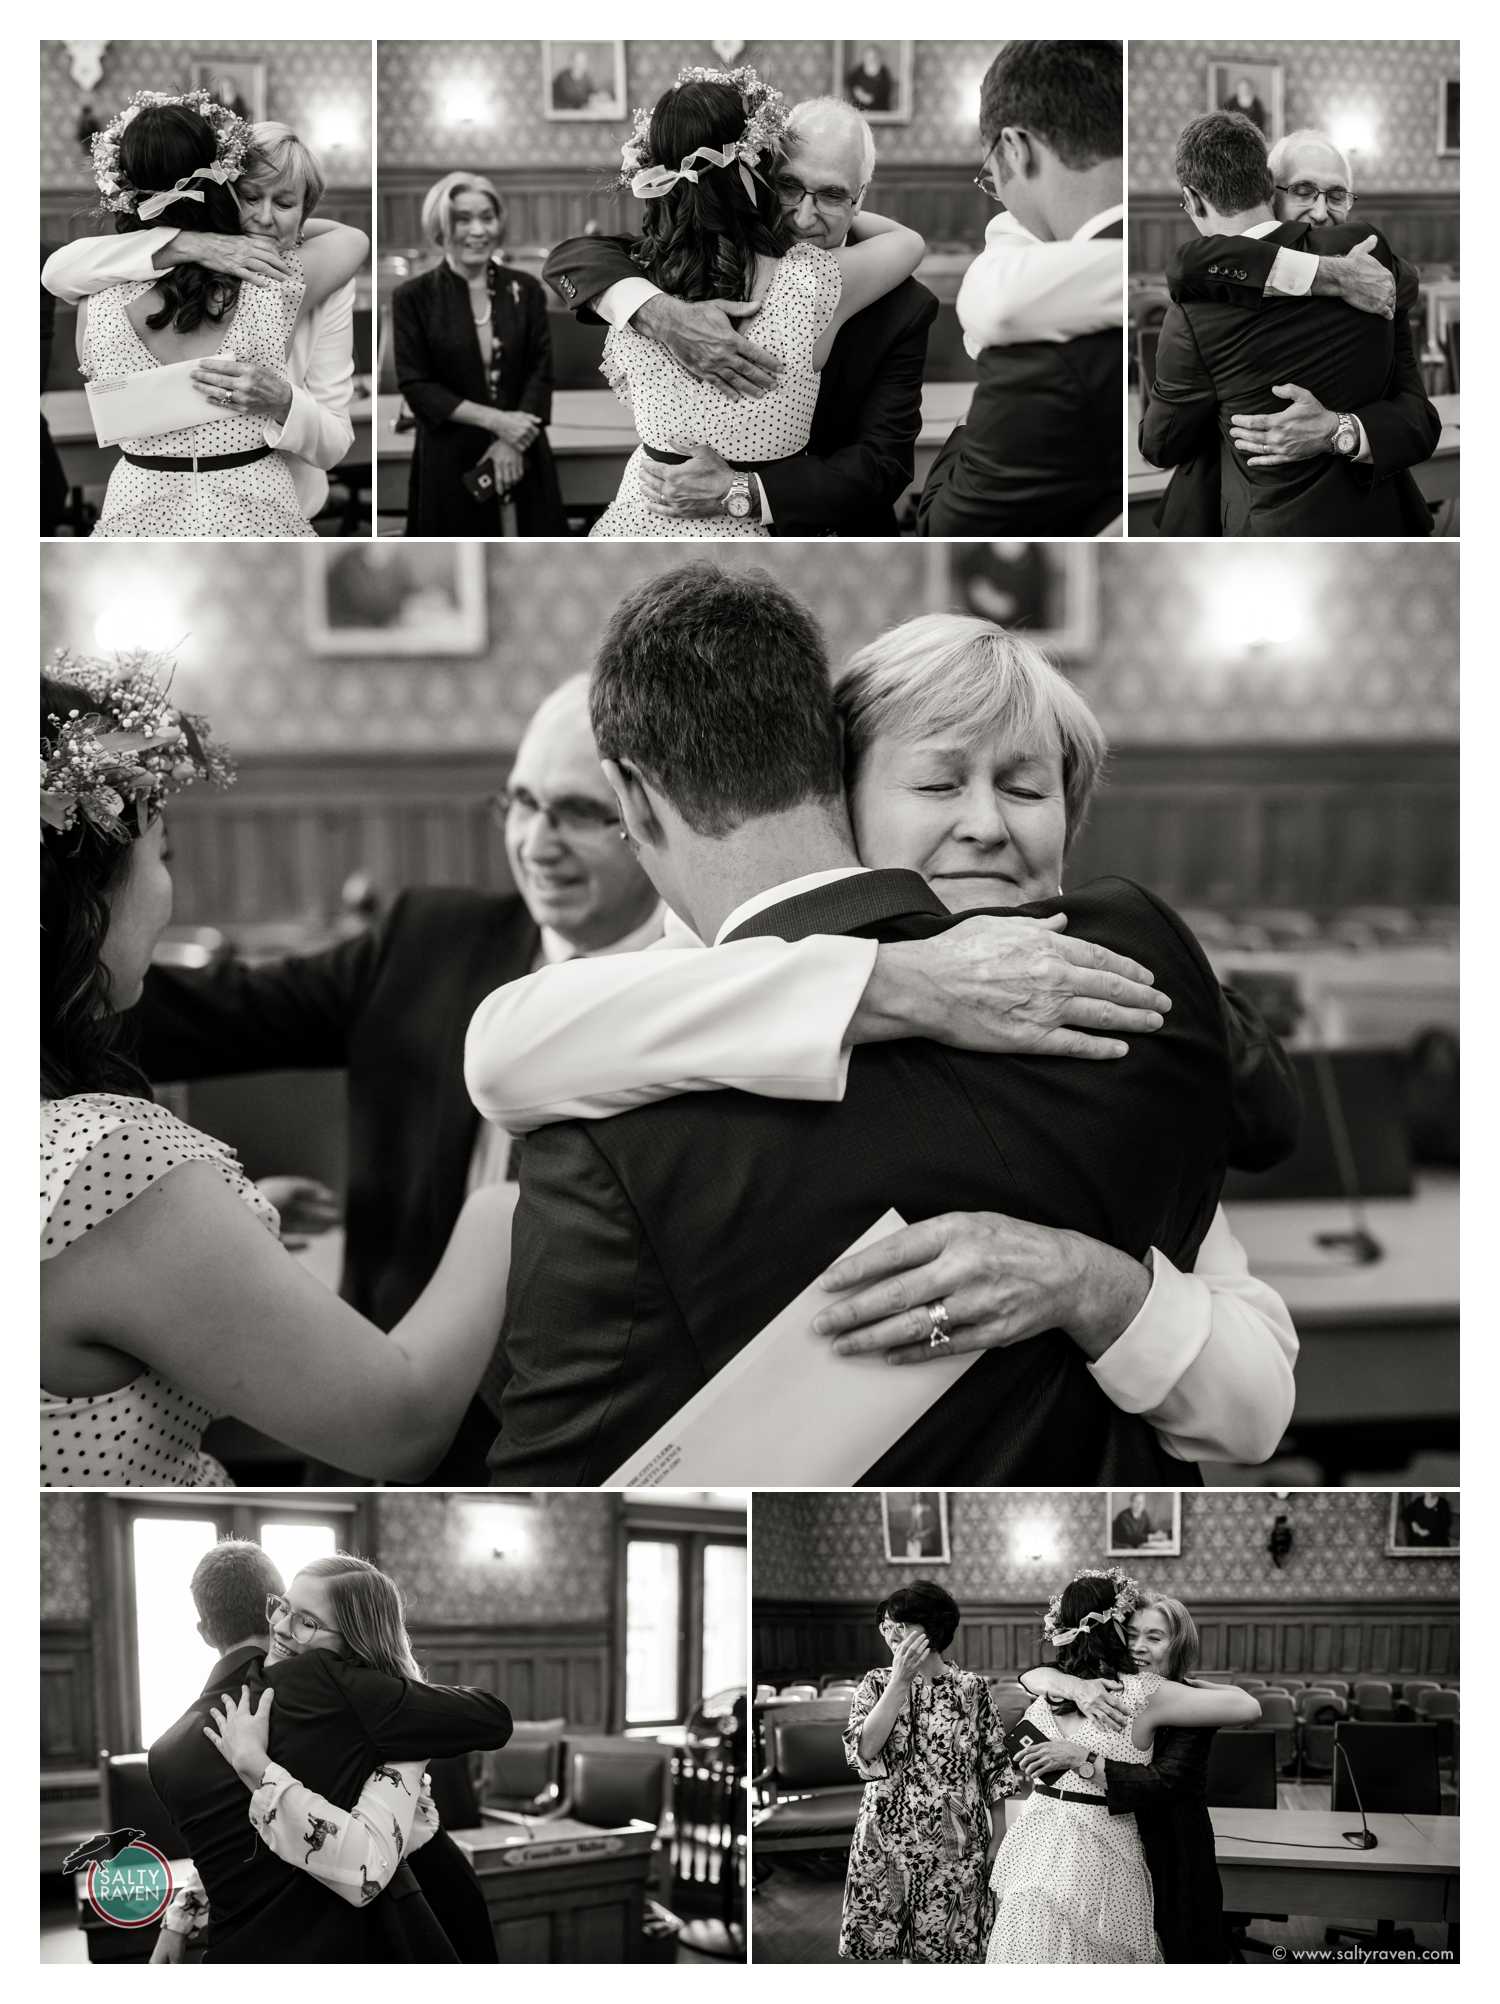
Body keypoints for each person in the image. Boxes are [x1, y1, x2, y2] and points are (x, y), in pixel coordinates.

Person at [484, 567, 1274, 1486]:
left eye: (1025, 789)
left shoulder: (1110, 1013)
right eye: (937, 782)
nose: (984, 824)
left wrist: (1082, 1281)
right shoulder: (672, 1004)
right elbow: (507, 1047)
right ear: (841, 796)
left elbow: (1254, 1410)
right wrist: (904, 979)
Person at [40, 658, 517, 1486]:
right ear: (78, 892)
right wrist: (505, 1206)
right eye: (166, 853)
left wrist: (218, 1228)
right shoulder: (113, 1165)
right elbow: (399, 1426)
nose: (170, 890)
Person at [545, 94, 938, 536]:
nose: (804, 217)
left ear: (860, 197)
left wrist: (743, 490)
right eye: (789, 187)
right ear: (762, 177)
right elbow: (571, 259)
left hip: (817, 529)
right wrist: (664, 315)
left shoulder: (903, 304)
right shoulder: (682, 268)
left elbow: (881, 466)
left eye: (831, 195)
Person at [148, 1541, 509, 1961]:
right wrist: (183, 1910)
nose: (281, 1628)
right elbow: (242, 1837)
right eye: (282, 1608)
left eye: (307, 1621)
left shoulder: (375, 1711)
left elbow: (365, 1868)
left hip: (427, 1900)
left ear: (352, 1643)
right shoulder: (277, 1700)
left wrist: (256, 1765)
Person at [70, 93, 366, 536]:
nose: (265, 218)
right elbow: (353, 239)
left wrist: (284, 400)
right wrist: (199, 243)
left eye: (284, 204)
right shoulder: (279, 283)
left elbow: (58, 274)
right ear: (220, 191)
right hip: (256, 500)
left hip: (138, 501)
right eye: (249, 197)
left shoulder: (91, 298)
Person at [1139, 111, 1437, 535]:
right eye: (1303, 191)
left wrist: (1339, 430)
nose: (1320, 212)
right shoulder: (1210, 279)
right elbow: (1191, 266)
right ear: (1267, 189)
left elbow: (1420, 420)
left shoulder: (1372, 269)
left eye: (1337, 196)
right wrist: (1329, 276)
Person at [987, 1570, 1257, 1962]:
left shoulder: (1159, 1697)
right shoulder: (1070, 1686)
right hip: (1054, 1841)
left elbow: (1164, 1781)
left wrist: (1189, 1686)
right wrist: (1074, 1686)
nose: (1140, 1647)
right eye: (1132, 1635)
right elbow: (1031, 1675)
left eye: (1154, 1637)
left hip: (1146, 1849)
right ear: (1113, 1630)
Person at [919, 43, 1123, 536]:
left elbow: (945, 526)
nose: (1002, 202)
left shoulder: (1042, 355)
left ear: (1015, 146)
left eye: (992, 179)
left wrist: (970, 421)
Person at [840, 1582, 1010, 1961]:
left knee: (951, 1951)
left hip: (957, 1845)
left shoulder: (972, 1689)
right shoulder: (875, 1684)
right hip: (886, 1839)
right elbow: (864, 1752)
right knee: (893, 1951)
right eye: (886, 1625)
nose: (891, 1633)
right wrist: (899, 1682)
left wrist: (999, 1836)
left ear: (931, 1629)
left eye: (901, 1624)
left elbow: (995, 1768)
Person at [391, 172, 564, 536]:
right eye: (463, 219)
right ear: (441, 227)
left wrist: (509, 441)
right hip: (450, 455)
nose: (478, 230)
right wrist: (497, 422)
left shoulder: (527, 289)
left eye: (487, 217)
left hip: (524, 447)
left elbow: (540, 372)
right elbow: (417, 385)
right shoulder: (413, 297)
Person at [845, 48, 894, 116]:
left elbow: (885, 90)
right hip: (860, 113)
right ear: (864, 58)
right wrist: (857, 92)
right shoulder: (857, 71)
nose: (871, 60)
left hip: (880, 112)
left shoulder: (884, 73)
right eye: (868, 57)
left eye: (874, 58)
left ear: (878, 59)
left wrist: (871, 98)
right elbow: (850, 82)